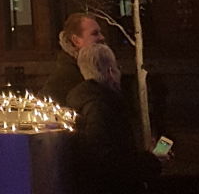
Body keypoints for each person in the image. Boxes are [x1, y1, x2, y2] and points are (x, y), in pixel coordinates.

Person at [67, 44, 162, 194]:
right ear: (111, 71)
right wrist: (151, 160)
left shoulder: (86, 102)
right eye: (118, 67)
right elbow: (109, 163)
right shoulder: (100, 107)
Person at [43, 13, 106, 105]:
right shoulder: (63, 79)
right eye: (95, 33)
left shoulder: (103, 68)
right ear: (76, 40)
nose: (102, 37)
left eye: (100, 32)